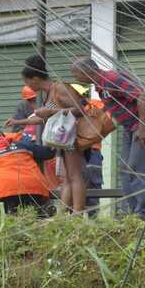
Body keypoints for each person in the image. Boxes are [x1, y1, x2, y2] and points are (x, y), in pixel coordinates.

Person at [71, 57, 145, 220]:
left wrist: (144, 128)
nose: (75, 78)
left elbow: (141, 97)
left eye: (76, 73)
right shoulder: (100, 86)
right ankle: (132, 212)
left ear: (88, 71)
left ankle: (144, 215)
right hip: (130, 128)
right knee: (125, 169)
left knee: (138, 168)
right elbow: (115, 107)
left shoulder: (111, 79)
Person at [21, 54, 88, 214]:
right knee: (66, 178)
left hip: (72, 136)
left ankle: (78, 212)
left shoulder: (59, 88)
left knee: (75, 176)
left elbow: (80, 110)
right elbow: (47, 118)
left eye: (27, 82)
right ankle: (63, 214)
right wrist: (18, 122)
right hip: (62, 140)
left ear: (35, 78)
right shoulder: (48, 93)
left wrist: (50, 111)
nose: (28, 86)